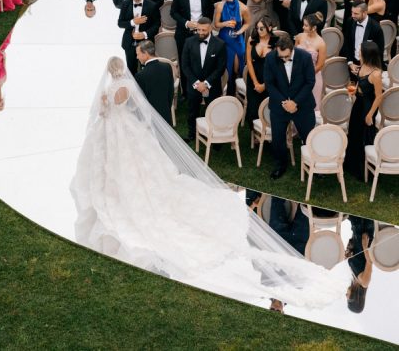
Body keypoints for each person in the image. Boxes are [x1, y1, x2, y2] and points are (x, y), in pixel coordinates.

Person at [70, 56, 346, 310]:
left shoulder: (111, 91)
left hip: (117, 135)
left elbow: (104, 113)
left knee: (119, 170)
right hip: (131, 134)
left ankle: (120, 194)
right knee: (144, 170)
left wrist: (106, 109)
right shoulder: (128, 87)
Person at [263, 35, 316, 179]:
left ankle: (314, 165)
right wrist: (284, 102)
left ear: (292, 49)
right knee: (278, 138)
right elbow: (269, 83)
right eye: (281, 57)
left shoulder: (305, 57)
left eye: (286, 57)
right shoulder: (270, 58)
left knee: (309, 136)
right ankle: (280, 165)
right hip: (280, 106)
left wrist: (295, 102)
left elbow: (310, 81)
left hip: (303, 105)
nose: (284, 60)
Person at [181, 17, 226, 142]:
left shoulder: (220, 44)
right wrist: (196, 83)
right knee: (192, 110)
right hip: (193, 83)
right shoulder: (188, 42)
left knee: (213, 111)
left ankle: (215, 136)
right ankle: (192, 133)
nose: (200, 32)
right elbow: (185, 65)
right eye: (198, 30)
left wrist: (206, 83)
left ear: (210, 28)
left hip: (212, 85)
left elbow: (220, 68)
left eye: (204, 30)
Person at [345, 41, 383, 180]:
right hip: (359, 104)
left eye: (360, 50)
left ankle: (364, 169)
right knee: (354, 132)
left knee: (364, 135)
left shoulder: (376, 74)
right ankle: (352, 164)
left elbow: (379, 97)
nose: (358, 52)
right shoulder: (362, 67)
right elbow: (360, 85)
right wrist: (354, 91)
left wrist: (370, 115)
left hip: (368, 107)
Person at [170, 0, 214, 68]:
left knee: (203, 62)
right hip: (183, 34)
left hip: (202, 33)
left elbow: (211, 12)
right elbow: (173, 13)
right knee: (184, 63)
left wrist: (202, 26)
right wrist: (186, 23)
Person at [117, 0, 159, 75]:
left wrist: (144, 34)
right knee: (131, 71)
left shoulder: (152, 5)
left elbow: (157, 25)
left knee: (148, 71)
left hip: (146, 44)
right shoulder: (125, 4)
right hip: (129, 43)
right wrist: (133, 22)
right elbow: (120, 23)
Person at [214, 0, 250, 94]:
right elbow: (216, 24)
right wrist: (225, 23)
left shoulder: (243, 8)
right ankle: (227, 90)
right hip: (224, 38)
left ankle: (239, 89)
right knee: (227, 66)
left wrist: (240, 31)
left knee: (238, 67)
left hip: (237, 38)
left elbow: (248, 23)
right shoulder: (220, 6)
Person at [135, 39, 174, 125]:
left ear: (145, 53)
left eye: (138, 54)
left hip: (151, 119)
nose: (137, 57)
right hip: (166, 114)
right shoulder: (167, 67)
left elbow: (141, 101)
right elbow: (171, 92)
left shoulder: (140, 75)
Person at [245, 17, 275, 124]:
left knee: (268, 109)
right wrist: (256, 83)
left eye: (262, 28)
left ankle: (268, 132)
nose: (259, 31)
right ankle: (255, 136)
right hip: (254, 77)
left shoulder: (276, 42)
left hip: (271, 79)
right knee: (253, 108)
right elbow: (248, 61)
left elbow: (278, 67)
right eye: (257, 28)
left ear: (269, 28)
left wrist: (265, 85)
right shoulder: (252, 40)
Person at [294, 13, 327, 111]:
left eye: (306, 25)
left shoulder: (321, 43)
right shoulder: (300, 37)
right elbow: (294, 54)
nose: (303, 27)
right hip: (297, 75)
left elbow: (320, 65)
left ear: (314, 27)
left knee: (311, 107)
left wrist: (307, 75)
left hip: (313, 77)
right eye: (303, 24)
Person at [342, 0, 384, 66]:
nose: (352, 15)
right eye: (352, 12)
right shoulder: (350, 21)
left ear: (364, 13)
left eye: (356, 13)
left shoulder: (375, 28)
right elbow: (347, 43)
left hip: (369, 66)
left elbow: (379, 52)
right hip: (353, 63)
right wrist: (350, 63)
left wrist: (366, 67)